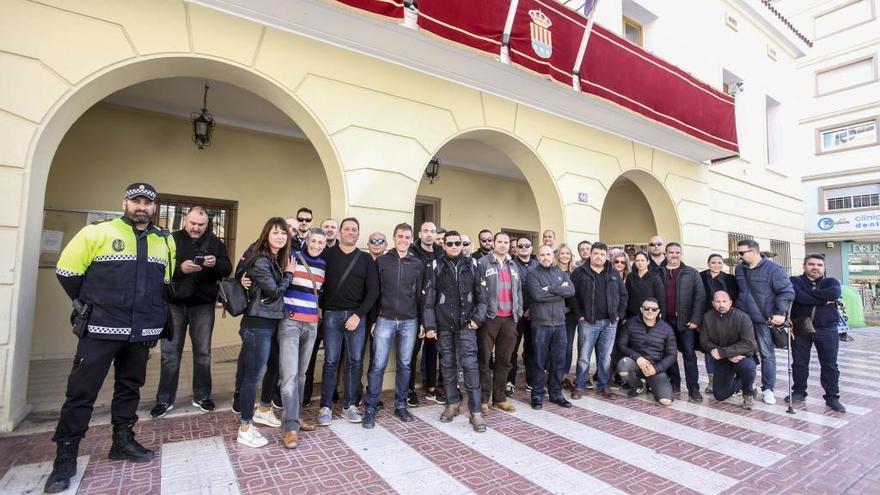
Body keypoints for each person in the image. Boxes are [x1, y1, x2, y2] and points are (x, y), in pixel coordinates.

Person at [45, 183, 175, 493]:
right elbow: (67, 271)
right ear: (125, 203)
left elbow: (164, 283)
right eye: (136, 201)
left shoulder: (165, 241)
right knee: (81, 392)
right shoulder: (96, 233)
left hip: (141, 332)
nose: (141, 207)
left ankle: (122, 442)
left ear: (154, 207)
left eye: (147, 202)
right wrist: (87, 305)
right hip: (101, 330)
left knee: (130, 388)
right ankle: (65, 458)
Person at [152, 207, 231, 419]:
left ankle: (202, 396)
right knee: (169, 354)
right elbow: (158, 268)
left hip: (203, 305)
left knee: (203, 353)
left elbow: (227, 269)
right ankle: (164, 400)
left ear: (207, 224)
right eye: (193, 223)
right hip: (174, 304)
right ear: (185, 221)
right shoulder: (171, 239)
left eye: (201, 225)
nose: (196, 228)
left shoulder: (216, 243)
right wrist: (180, 269)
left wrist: (215, 265)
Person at [236, 217, 294, 449]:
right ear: (266, 235)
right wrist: (289, 274)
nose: (280, 236)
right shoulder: (261, 259)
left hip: (271, 322)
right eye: (275, 232)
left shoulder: (275, 258)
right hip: (257, 323)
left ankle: (263, 410)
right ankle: (245, 427)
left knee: (273, 368)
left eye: (283, 233)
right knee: (253, 376)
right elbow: (274, 291)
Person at [423, 230, 487, 432]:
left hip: (466, 325)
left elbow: (482, 297)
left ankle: (475, 411)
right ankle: (452, 404)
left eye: (457, 243)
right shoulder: (435, 265)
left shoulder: (473, 264)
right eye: (449, 243)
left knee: (470, 365)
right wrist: (430, 325)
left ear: (462, 244)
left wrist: (477, 319)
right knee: (448, 365)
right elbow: (428, 300)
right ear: (444, 246)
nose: (453, 246)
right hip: (443, 326)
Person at [318, 217, 379, 426]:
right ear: (339, 232)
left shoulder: (365, 259)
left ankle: (349, 405)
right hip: (331, 316)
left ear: (358, 234)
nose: (351, 232)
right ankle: (325, 406)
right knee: (331, 361)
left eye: (354, 229)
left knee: (354, 362)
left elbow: (373, 292)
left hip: (356, 317)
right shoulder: (326, 255)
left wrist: (358, 315)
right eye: (347, 229)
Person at [363, 223, 425, 428]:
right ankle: (370, 408)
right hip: (384, 320)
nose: (404, 240)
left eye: (407, 237)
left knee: (405, 365)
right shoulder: (381, 261)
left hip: (409, 320)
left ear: (411, 239)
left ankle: (401, 405)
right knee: (377, 365)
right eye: (400, 236)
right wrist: (373, 320)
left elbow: (421, 296)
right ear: (394, 237)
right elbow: (374, 292)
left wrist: (423, 321)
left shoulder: (417, 263)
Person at [277, 227, 327, 448]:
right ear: (306, 240)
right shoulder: (292, 258)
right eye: (313, 241)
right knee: (288, 376)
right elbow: (279, 284)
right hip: (291, 323)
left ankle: (295, 417)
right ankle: (290, 428)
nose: (316, 246)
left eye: (321, 243)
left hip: (312, 325)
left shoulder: (324, 265)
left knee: (301, 376)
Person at [734, 239, 794, 405]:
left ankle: (768, 389)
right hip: (743, 321)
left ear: (753, 251)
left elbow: (787, 292)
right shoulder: (739, 269)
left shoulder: (774, 269)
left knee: (767, 355)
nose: (739, 256)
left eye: (741, 253)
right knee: (745, 355)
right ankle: (747, 385)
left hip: (763, 320)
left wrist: (780, 313)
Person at [568, 242, 627, 399]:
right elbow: (572, 296)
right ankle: (580, 385)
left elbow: (623, 295)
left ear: (606, 256)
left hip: (609, 323)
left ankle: (603, 385)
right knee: (584, 356)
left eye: (602, 254)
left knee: (605, 356)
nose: (598, 257)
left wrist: (618, 315)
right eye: (596, 253)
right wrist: (579, 315)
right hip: (588, 322)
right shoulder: (580, 272)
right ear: (591, 254)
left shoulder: (613, 273)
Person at [788, 254, 846, 412]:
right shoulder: (794, 281)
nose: (815, 267)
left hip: (827, 329)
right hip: (801, 328)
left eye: (819, 265)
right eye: (811, 264)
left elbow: (833, 294)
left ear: (824, 267)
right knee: (799, 363)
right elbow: (798, 296)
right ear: (804, 265)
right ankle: (799, 391)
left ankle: (832, 397)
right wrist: (822, 299)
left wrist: (808, 297)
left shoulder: (831, 282)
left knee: (830, 364)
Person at [477, 232, 523, 414]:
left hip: (509, 319)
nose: (503, 245)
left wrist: (517, 312)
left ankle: (500, 398)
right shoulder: (483, 263)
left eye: (506, 242)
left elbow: (518, 291)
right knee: (485, 359)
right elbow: (478, 290)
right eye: (500, 242)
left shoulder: (513, 265)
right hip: (490, 319)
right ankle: (483, 400)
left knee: (504, 360)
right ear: (493, 244)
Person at [526, 245, 575, 410]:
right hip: (541, 324)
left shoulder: (559, 273)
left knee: (558, 362)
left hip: (560, 324)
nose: (546, 257)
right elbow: (537, 295)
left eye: (548, 254)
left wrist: (552, 289)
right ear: (538, 257)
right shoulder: (533, 273)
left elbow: (571, 291)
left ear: (552, 256)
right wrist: (559, 292)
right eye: (542, 254)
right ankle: (537, 395)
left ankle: (556, 394)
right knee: (539, 362)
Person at [661, 242, 706, 400]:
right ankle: (674, 384)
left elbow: (700, 297)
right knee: (670, 354)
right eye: (671, 252)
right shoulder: (659, 272)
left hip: (686, 323)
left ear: (681, 254)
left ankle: (693, 388)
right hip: (665, 322)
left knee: (689, 355)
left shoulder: (691, 273)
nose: (674, 255)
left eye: (677, 252)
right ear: (666, 254)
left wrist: (695, 320)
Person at [408, 221, 445, 407]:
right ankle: (409, 390)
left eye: (433, 231)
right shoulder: (412, 252)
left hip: (434, 309)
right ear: (420, 233)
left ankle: (431, 388)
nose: (429, 234)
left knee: (432, 350)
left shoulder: (441, 253)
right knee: (412, 352)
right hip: (414, 308)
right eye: (426, 231)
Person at [700, 291, 758, 409]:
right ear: (713, 303)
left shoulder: (742, 317)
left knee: (748, 367)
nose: (721, 304)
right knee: (720, 395)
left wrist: (724, 352)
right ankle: (743, 381)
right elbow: (704, 342)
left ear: (730, 302)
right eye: (718, 301)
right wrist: (725, 355)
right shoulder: (708, 317)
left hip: (742, 357)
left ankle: (748, 392)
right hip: (723, 360)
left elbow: (750, 343)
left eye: (724, 301)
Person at [616, 297, 676, 406]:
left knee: (666, 401)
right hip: (635, 363)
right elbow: (621, 345)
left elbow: (672, 355)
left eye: (653, 309)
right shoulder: (630, 323)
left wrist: (656, 369)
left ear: (658, 311)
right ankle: (637, 385)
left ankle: (651, 384)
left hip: (655, 367)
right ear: (641, 309)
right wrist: (637, 357)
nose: (650, 311)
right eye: (647, 308)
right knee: (623, 364)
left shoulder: (667, 329)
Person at [700, 253, 738, 395]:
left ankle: (729, 379)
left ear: (723, 264)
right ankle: (712, 380)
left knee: (727, 347)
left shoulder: (729, 279)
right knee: (708, 348)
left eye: (719, 263)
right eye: (713, 262)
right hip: (707, 318)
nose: (716, 265)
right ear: (708, 263)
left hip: (726, 317)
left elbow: (734, 298)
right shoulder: (701, 276)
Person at [507, 237, 537, 396]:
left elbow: (542, 289)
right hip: (515, 315)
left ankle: (531, 380)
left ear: (532, 248)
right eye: (520, 246)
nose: (524, 248)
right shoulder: (510, 265)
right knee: (511, 350)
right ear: (515, 249)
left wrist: (531, 308)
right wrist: (520, 310)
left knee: (532, 349)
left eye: (527, 245)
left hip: (534, 314)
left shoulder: (538, 265)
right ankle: (509, 381)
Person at [554, 244, 578, 389]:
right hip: (554, 314)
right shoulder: (552, 271)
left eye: (567, 253)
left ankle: (564, 376)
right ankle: (552, 374)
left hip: (570, 316)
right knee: (554, 346)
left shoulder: (575, 273)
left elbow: (577, 294)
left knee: (567, 346)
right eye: (562, 253)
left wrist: (569, 308)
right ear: (557, 255)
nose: (564, 256)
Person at [624, 252, 666, 321]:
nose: (640, 263)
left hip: (650, 315)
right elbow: (626, 297)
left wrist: (661, 315)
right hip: (632, 315)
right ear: (635, 262)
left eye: (642, 260)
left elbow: (661, 298)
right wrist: (624, 316)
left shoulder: (655, 277)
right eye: (637, 260)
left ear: (648, 262)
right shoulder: (630, 277)